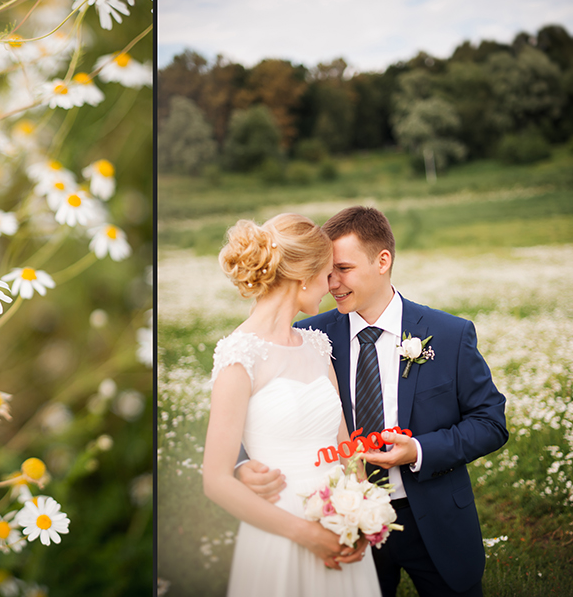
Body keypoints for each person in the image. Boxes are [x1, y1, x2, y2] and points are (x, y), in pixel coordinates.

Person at [237, 206, 509, 597]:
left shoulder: (449, 334)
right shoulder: (309, 335)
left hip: (431, 517)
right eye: (327, 271)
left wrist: (416, 449)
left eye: (343, 269)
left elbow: (490, 422)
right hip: (337, 518)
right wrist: (243, 464)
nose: (331, 283)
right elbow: (267, 413)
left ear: (383, 261)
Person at [203, 213, 382, 597]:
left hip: (339, 522)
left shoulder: (317, 345)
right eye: (327, 274)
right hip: (281, 530)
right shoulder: (239, 354)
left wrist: (366, 515)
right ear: (304, 275)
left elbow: (345, 446)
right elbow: (215, 480)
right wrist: (307, 534)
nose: (331, 285)